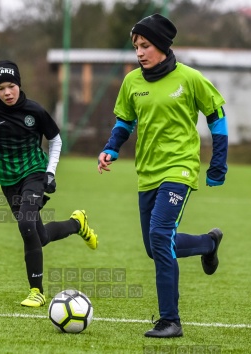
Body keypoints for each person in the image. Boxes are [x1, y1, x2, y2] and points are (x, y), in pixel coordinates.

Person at [97, 14, 227, 338]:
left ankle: (170, 320)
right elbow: (124, 122)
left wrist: (218, 163)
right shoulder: (131, 83)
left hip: (179, 168)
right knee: (155, 246)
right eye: (136, 47)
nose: (139, 52)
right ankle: (208, 245)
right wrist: (112, 147)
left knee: (160, 234)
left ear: (163, 45)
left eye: (145, 45)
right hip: (147, 172)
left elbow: (217, 116)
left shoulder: (190, 78)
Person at [0, 60, 98, 307]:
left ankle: (37, 291)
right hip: (7, 180)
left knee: (26, 224)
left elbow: (55, 139)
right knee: (40, 236)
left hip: (34, 172)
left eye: (11, 86)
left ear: (19, 84)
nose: (7, 92)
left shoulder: (34, 111)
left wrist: (50, 172)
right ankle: (77, 223)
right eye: (1, 88)